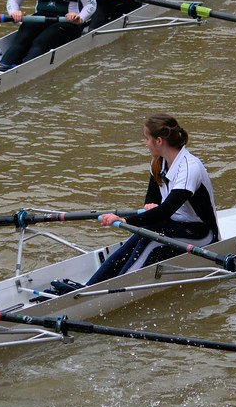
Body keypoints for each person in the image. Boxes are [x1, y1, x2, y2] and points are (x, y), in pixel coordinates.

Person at [88, 114, 219, 285]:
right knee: (140, 235)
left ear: (159, 141)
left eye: (146, 139)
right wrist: (150, 204)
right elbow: (153, 196)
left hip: (202, 233)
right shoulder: (158, 162)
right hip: (173, 225)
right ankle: (90, 286)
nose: (145, 143)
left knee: (150, 238)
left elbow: (166, 210)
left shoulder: (189, 168)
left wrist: (124, 220)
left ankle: (113, 290)